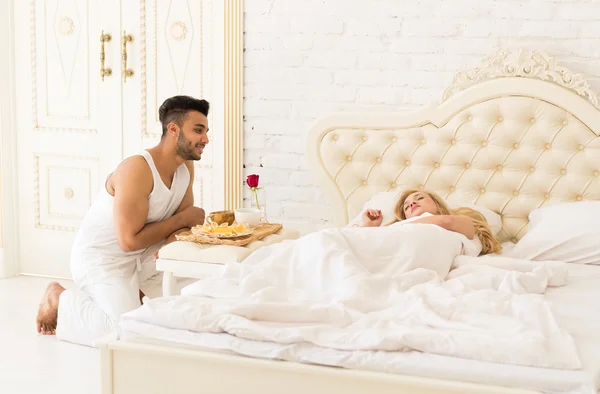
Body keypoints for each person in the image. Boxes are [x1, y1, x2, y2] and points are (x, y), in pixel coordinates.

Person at [35, 95, 209, 346]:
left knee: (202, 291)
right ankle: (59, 300)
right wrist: (182, 220)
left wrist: (175, 243)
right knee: (122, 333)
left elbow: (181, 227)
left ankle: (135, 294)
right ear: (173, 129)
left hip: (146, 254)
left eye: (205, 131)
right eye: (198, 130)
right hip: (104, 260)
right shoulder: (137, 169)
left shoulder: (185, 168)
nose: (205, 139)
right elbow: (128, 241)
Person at [359, 189, 502, 256]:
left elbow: (445, 221)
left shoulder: (461, 221)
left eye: (419, 198)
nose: (412, 203)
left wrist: (383, 231)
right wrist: (369, 227)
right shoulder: (401, 227)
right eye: (407, 207)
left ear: (437, 204)